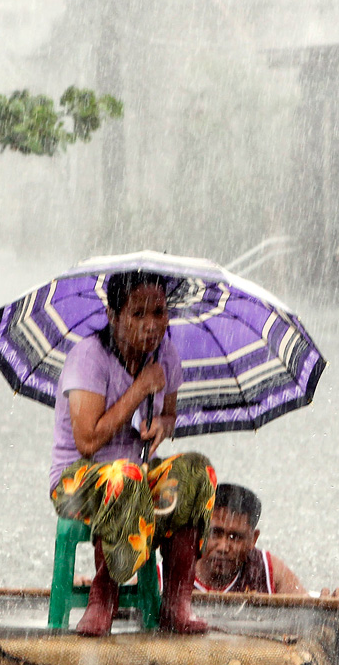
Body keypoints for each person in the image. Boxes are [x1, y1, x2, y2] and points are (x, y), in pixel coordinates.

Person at [50, 270, 217, 636]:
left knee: (196, 470)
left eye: (158, 312)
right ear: (114, 316)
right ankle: (103, 594)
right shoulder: (88, 357)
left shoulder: (165, 355)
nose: (151, 325)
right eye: (138, 314)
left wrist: (163, 424)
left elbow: (169, 414)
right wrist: (141, 387)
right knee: (125, 475)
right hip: (77, 482)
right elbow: (88, 441)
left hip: (134, 480)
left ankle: (177, 600)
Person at [194, 483, 307, 594]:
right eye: (215, 533)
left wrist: (322, 606)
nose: (223, 547)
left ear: (253, 539)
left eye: (235, 537)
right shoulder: (178, 566)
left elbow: (306, 608)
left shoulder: (268, 570)